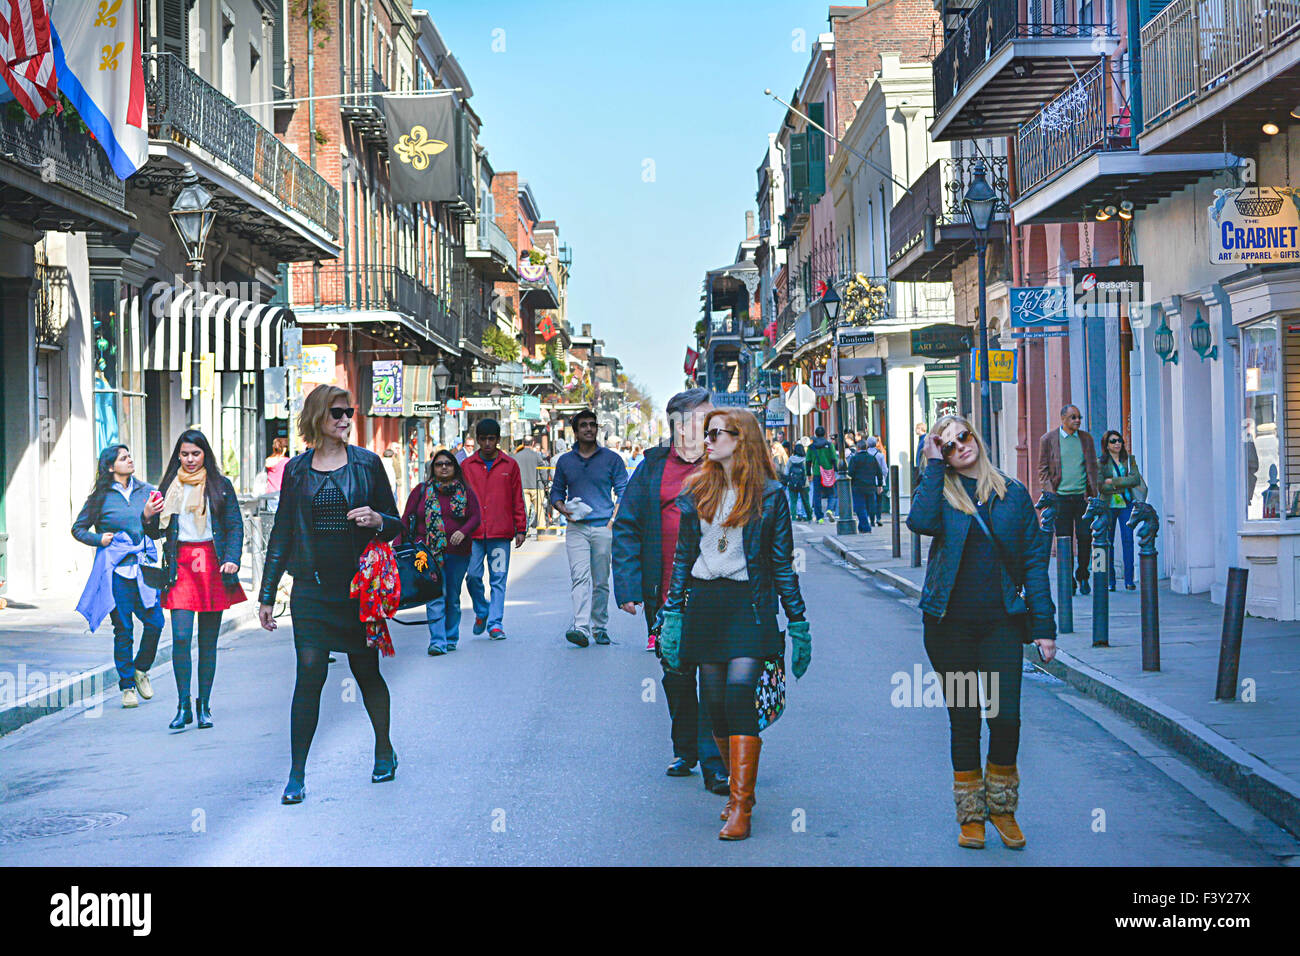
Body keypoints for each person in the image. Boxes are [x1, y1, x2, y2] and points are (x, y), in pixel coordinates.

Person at [657, 408, 810, 841]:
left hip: (749, 603)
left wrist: (798, 622)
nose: (707, 440)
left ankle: (741, 803)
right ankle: (736, 789)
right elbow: (685, 558)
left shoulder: (770, 495)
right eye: (706, 434)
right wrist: (672, 614)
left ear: (740, 439)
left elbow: (781, 565)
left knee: (741, 692)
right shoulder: (697, 490)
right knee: (716, 703)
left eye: (716, 433)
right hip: (706, 603)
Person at [908, 414, 1056, 850]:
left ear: (976, 436)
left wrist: (1045, 626)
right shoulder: (941, 492)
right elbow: (919, 521)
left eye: (963, 437)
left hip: (1001, 626)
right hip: (948, 626)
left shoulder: (1012, 496)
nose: (960, 448)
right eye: (948, 446)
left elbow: (1034, 563)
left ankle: (1003, 808)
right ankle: (971, 816)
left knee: (1005, 718)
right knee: (965, 719)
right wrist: (933, 466)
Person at [257, 385, 402, 805]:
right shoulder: (298, 471)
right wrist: (267, 594)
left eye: (349, 412)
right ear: (318, 416)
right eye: (337, 413)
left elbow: (397, 525)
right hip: (311, 592)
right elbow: (282, 532)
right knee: (309, 677)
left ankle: (383, 750)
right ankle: (296, 774)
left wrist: (378, 519)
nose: (345, 419)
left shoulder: (368, 464)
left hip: (357, 591)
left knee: (366, 671)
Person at [613, 388, 727, 795]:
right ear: (679, 425)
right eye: (703, 418)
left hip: (718, 594)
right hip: (666, 598)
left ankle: (715, 763)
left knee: (715, 681)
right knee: (677, 677)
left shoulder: (726, 463)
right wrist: (627, 585)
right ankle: (686, 748)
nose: (715, 424)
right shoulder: (652, 468)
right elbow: (626, 526)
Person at [142, 429, 246, 731]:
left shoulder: (221, 485)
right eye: (185, 454)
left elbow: (234, 525)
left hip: (213, 565)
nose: (189, 459)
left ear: (205, 455)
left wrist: (232, 558)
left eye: (195, 454)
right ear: (178, 455)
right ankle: (183, 705)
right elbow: (155, 532)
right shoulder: (168, 486)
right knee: (182, 638)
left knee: (208, 641)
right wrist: (147, 515)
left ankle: (204, 705)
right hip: (181, 567)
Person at [73, 444, 165, 709]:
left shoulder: (148, 491)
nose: (129, 460)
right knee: (123, 629)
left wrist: (148, 517)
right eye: (123, 458)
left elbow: (159, 530)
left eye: (129, 456)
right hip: (115, 572)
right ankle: (127, 687)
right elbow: (78, 529)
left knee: (156, 622)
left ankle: (141, 669)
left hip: (143, 569)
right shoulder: (99, 498)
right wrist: (98, 538)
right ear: (111, 466)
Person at [551, 409, 628, 646]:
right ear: (575, 431)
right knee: (580, 577)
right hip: (576, 528)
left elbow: (623, 490)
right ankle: (581, 627)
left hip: (604, 527)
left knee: (601, 580)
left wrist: (613, 520)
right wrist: (563, 509)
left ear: (597, 429)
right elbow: (556, 492)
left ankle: (600, 626)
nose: (588, 429)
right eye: (583, 425)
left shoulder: (612, 459)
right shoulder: (565, 461)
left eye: (592, 425)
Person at [398, 449, 482, 655]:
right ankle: (437, 640)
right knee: (433, 594)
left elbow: (476, 517)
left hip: (458, 553)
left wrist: (463, 532)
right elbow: (406, 518)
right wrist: (396, 548)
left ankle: (451, 637)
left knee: (452, 596)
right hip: (425, 554)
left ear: (454, 467)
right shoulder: (421, 491)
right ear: (432, 468)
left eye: (448, 464)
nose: (443, 467)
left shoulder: (465, 492)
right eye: (439, 464)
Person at [461, 418, 527, 640]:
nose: (487, 443)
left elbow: (517, 497)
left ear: (498, 440)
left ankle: (495, 623)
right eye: (483, 439)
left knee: (498, 578)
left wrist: (521, 527)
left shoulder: (510, 465)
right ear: (477, 440)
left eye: (491, 439)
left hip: (501, 533)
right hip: (474, 533)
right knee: (472, 577)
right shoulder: (467, 466)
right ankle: (482, 610)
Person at [1037, 405, 1100, 596]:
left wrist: (1094, 490)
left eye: (1079, 417)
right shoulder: (1048, 440)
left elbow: (1092, 466)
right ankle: (1068, 579)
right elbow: (1043, 469)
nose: (1077, 421)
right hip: (1061, 499)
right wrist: (1050, 493)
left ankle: (1083, 575)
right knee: (1064, 540)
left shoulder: (1086, 439)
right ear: (1063, 418)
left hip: (1082, 497)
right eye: (1073, 417)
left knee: (1085, 537)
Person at [1098, 430, 1146, 592]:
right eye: (1113, 441)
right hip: (1109, 506)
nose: (1117, 443)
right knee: (1107, 542)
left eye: (1119, 441)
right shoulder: (1101, 463)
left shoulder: (1129, 460)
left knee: (1128, 541)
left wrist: (1114, 481)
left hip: (1126, 504)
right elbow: (1101, 486)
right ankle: (1110, 581)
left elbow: (1134, 479)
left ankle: (1129, 579)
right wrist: (1121, 484)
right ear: (1106, 445)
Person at [848, 440, 884, 534]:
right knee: (869, 507)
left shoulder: (854, 459)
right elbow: (879, 472)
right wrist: (879, 485)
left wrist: (850, 484)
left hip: (858, 486)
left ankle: (866, 527)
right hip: (870, 486)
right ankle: (862, 527)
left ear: (858, 448)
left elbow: (850, 473)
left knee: (860, 507)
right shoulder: (872, 458)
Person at [514, 435, 545, 535]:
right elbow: (542, 470)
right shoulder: (536, 455)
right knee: (539, 509)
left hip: (522, 486)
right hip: (536, 485)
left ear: (523, 443)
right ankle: (541, 529)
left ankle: (524, 530)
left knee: (524, 510)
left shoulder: (517, 456)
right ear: (533, 443)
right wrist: (545, 483)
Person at [806, 425, 838, 523]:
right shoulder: (829, 445)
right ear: (825, 434)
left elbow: (808, 461)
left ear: (815, 434)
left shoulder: (811, 447)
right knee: (832, 493)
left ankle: (819, 517)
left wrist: (808, 474)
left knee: (817, 495)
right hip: (828, 473)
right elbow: (833, 458)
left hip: (817, 473)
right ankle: (829, 509)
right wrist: (836, 470)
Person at [784, 442, 812, 521]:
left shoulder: (791, 459)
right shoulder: (805, 459)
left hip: (792, 483)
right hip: (804, 483)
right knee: (806, 501)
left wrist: (788, 478)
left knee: (793, 501)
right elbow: (809, 471)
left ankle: (793, 517)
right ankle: (809, 517)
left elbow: (786, 471)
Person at [867, 437, 887, 527]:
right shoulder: (880, 455)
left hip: (868, 481)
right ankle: (878, 518)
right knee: (879, 501)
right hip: (878, 481)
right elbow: (884, 469)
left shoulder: (866, 454)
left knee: (869, 501)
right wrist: (883, 479)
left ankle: (870, 518)